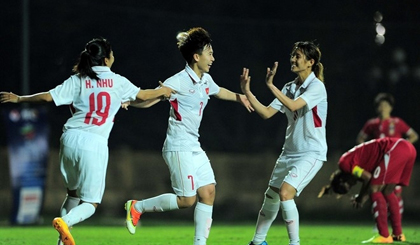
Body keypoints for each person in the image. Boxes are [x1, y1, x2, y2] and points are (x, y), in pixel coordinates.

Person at [0, 37, 173, 245]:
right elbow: (144, 95)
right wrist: (164, 91)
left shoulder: (78, 79)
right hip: (94, 143)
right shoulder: (117, 81)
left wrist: (19, 99)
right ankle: (64, 222)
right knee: (91, 203)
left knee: (72, 194)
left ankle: (61, 242)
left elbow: (48, 97)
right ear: (107, 59)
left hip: (70, 139)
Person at [124, 27, 253, 245]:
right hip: (178, 146)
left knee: (209, 191)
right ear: (196, 56)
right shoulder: (178, 81)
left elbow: (219, 90)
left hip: (193, 145)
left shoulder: (206, 80)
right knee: (187, 200)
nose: (213, 58)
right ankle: (136, 207)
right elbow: (153, 98)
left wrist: (240, 97)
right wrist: (131, 101)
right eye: (209, 53)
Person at [240, 41, 327, 245]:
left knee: (286, 193)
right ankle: (258, 241)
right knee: (271, 196)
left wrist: (270, 85)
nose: (293, 59)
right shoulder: (289, 87)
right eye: (292, 55)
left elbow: (294, 105)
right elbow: (266, 113)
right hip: (288, 153)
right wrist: (248, 91)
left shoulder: (317, 87)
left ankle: (294, 243)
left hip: (311, 153)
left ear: (310, 62)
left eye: (298, 56)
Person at [318, 137, 416, 243]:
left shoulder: (344, 164)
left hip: (395, 149)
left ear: (343, 179)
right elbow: (368, 179)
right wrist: (361, 197)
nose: (353, 184)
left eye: (349, 185)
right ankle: (398, 235)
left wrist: (360, 198)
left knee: (375, 189)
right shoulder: (357, 164)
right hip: (407, 148)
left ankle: (384, 236)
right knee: (387, 191)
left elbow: (368, 178)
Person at [356, 92, 418, 229]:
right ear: (377, 108)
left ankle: (396, 224)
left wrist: (403, 147)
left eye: (386, 105)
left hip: (395, 163)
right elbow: (360, 138)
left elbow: (413, 136)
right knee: (377, 191)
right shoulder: (372, 124)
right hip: (379, 163)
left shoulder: (397, 123)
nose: (383, 108)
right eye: (380, 105)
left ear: (391, 108)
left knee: (395, 192)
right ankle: (380, 224)